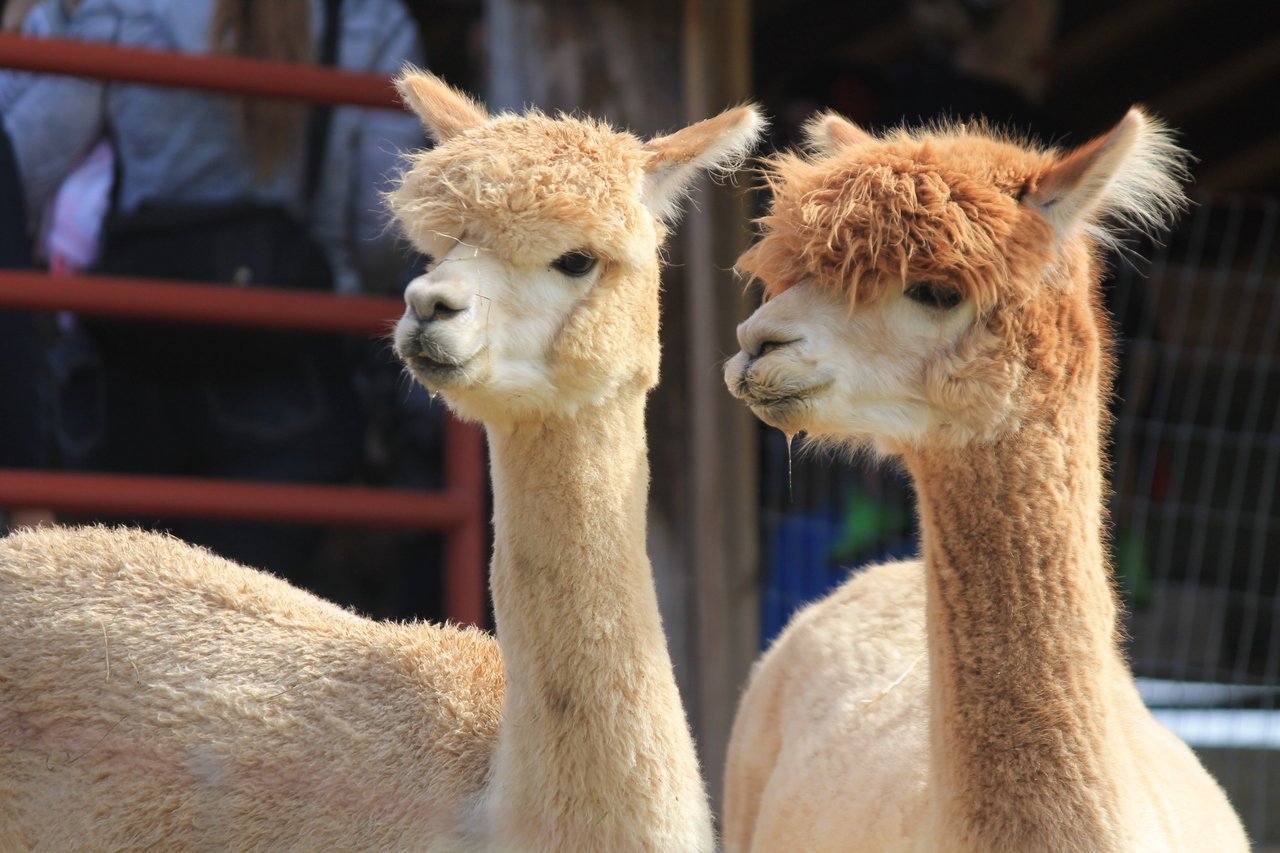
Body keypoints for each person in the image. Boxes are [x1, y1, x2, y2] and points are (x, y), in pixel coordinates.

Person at [1, 0, 425, 578]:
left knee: (130, 636)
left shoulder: (126, 8)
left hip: (132, 361)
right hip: (293, 363)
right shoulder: (369, 19)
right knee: (249, 637)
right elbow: (385, 232)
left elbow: (20, 167)